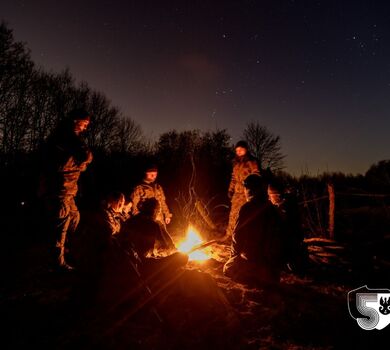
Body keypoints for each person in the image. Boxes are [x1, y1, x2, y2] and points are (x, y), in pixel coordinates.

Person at [39, 108, 93, 271]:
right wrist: (79, 162)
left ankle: (68, 252)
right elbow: (83, 158)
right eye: (84, 124)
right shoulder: (64, 138)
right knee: (61, 227)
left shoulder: (72, 139)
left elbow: (84, 162)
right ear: (76, 121)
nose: (85, 128)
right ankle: (57, 263)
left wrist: (80, 162)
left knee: (75, 218)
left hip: (69, 191)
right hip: (58, 190)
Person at [223, 174, 284, 286]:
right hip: (272, 272)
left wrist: (234, 257)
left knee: (227, 268)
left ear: (249, 189)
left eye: (246, 188)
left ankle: (252, 277)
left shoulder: (246, 208)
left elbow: (237, 236)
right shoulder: (272, 209)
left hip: (254, 264)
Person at [130, 164, 174, 244]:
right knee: (151, 238)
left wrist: (167, 215)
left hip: (160, 218)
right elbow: (133, 206)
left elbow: (163, 202)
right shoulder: (139, 188)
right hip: (148, 219)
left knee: (164, 236)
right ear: (145, 173)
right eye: (151, 174)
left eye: (155, 174)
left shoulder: (158, 187)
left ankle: (171, 249)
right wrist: (140, 219)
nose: (153, 176)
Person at [225, 141, 260, 239]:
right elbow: (233, 178)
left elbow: (257, 174)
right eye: (237, 150)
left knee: (245, 215)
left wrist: (251, 187)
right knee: (233, 214)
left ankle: (242, 237)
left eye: (241, 149)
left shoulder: (252, 162)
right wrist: (230, 190)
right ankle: (229, 236)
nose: (238, 151)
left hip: (247, 193)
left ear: (246, 149)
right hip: (237, 193)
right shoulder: (236, 163)